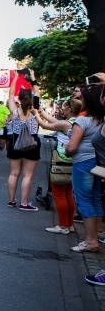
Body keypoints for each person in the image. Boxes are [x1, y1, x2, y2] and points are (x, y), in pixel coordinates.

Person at [64, 84, 104, 253]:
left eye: (81, 98)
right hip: (97, 163)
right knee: (95, 199)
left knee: (84, 201)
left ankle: (90, 241)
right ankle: (95, 237)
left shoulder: (82, 121)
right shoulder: (101, 119)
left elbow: (72, 148)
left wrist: (66, 151)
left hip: (82, 163)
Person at [35, 99, 82, 234]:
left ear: (69, 110)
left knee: (59, 194)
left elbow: (45, 126)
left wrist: (36, 115)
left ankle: (62, 225)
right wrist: (42, 112)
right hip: (72, 161)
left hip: (61, 160)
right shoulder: (78, 122)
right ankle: (69, 224)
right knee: (68, 194)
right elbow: (54, 121)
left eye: (64, 107)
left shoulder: (65, 123)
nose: (62, 109)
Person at [5, 77, 41, 210]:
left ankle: (11, 200)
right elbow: (37, 93)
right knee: (28, 175)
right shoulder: (35, 110)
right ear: (31, 98)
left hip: (15, 143)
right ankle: (24, 203)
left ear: (18, 99)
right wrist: (33, 78)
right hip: (32, 144)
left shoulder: (14, 111)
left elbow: (10, 94)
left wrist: (15, 78)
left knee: (14, 173)